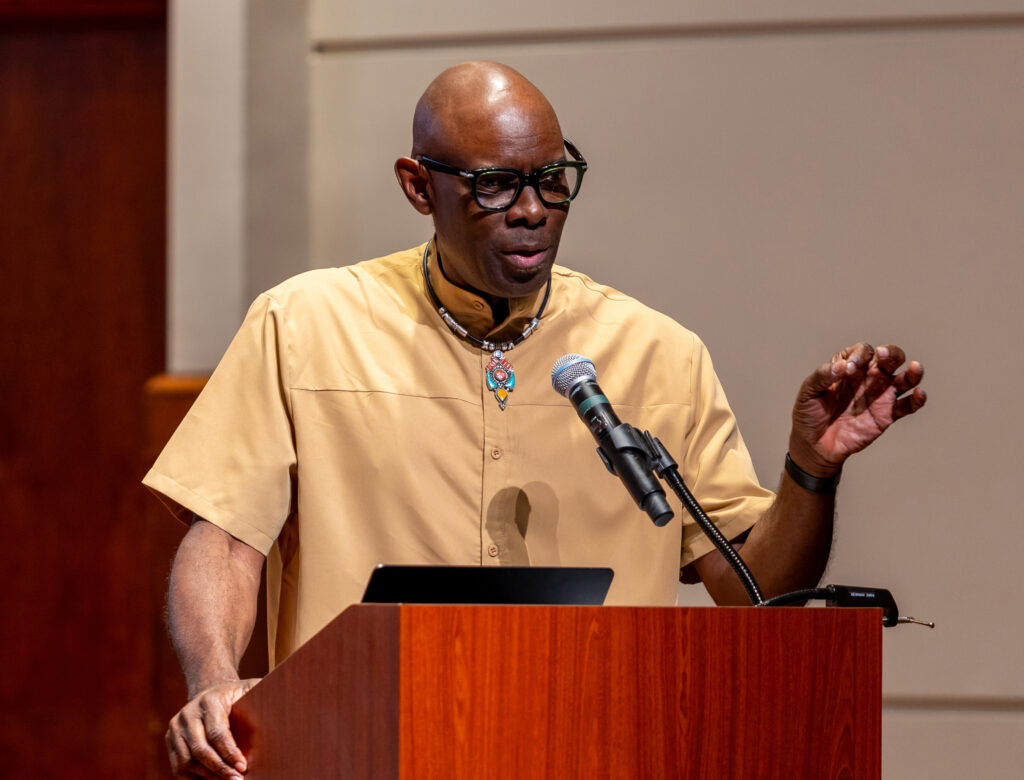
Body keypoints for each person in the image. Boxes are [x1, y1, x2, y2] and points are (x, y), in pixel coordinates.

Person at [146, 61, 926, 778]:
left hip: (600, 751)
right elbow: (222, 537)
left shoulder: (658, 351)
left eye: (553, 180)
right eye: (494, 186)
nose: (532, 211)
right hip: (361, 750)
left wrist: (811, 466)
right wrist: (216, 684)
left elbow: (755, 590)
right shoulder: (305, 324)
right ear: (419, 187)